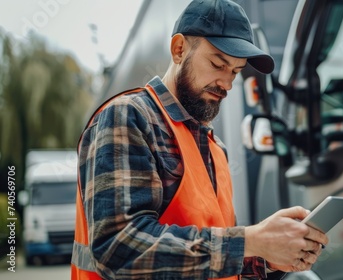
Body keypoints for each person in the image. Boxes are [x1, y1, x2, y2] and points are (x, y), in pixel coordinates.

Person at [71, 0, 328, 279]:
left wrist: (267, 257)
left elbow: (210, 256)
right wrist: (251, 240)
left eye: (235, 71)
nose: (227, 84)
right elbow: (119, 249)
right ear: (179, 49)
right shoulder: (128, 117)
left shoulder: (216, 150)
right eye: (218, 64)